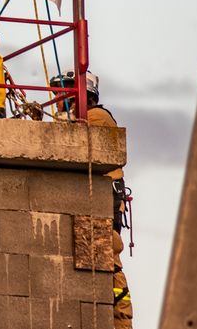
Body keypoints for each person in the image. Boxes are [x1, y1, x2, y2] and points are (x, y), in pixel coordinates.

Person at [51, 71, 133, 329]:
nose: (57, 98)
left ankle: (119, 323)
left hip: (101, 208)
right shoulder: (81, 118)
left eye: (63, 92)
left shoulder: (97, 117)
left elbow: (75, 143)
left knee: (109, 274)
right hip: (95, 206)